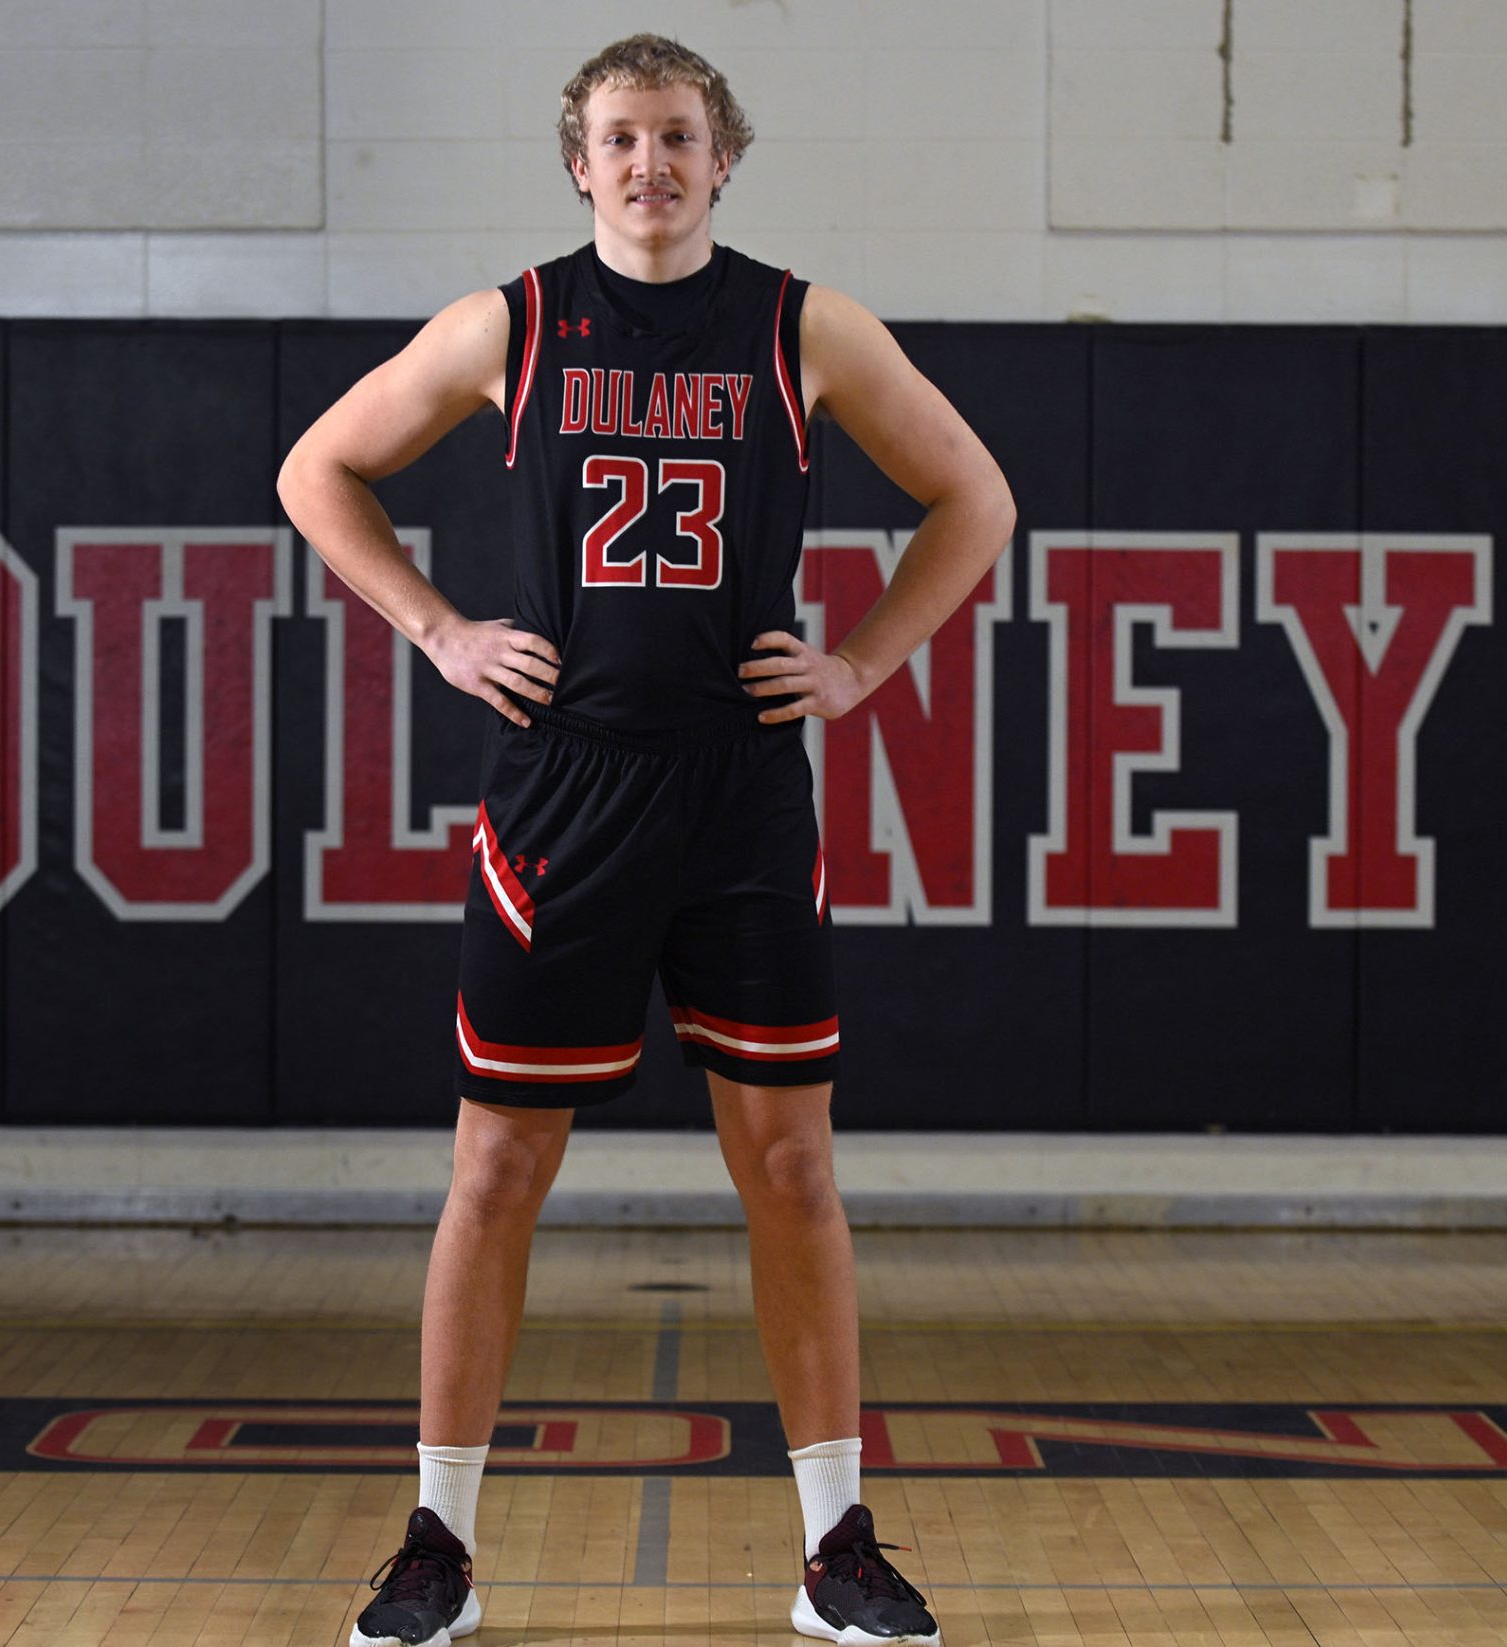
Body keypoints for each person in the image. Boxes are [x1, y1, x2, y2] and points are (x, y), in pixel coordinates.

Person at [278, 34, 1014, 1647]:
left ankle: (836, 1551)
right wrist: (435, 627)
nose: (649, 164)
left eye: (677, 136)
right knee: (497, 1167)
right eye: (619, 138)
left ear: (723, 156)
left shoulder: (802, 325)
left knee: (793, 1167)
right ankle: (436, 1545)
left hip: (740, 793)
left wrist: (860, 663)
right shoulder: (513, 324)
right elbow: (314, 467)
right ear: (578, 164)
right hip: (566, 793)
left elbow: (976, 498)